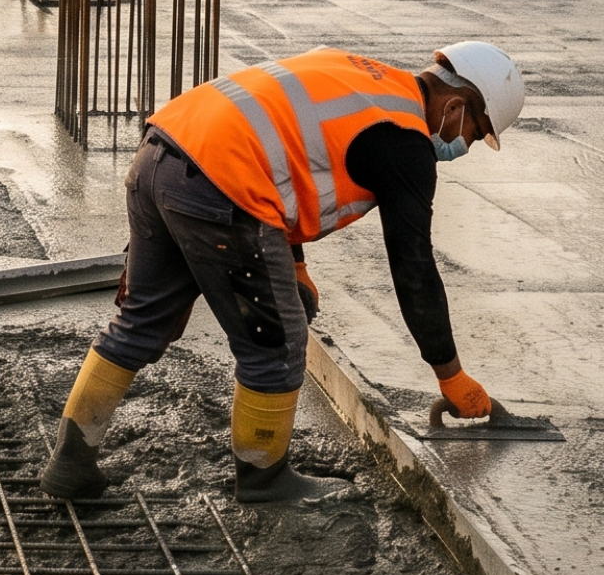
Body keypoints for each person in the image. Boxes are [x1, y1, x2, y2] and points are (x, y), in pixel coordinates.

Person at [40, 43, 526, 506]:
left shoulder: (359, 73)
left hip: (162, 149)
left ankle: (71, 462)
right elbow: (413, 267)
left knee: (141, 320)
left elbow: (285, 146)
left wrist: (295, 265)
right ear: (456, 106)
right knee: (276, 343)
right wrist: (450, 374)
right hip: (223, 184)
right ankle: (264, 478)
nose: (465, 145)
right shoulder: (405, 140)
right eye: (473, 133)